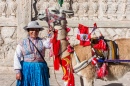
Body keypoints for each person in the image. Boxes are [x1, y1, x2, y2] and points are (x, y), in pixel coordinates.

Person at [14, 21, 51, 86]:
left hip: (39, 69)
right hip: (26, 69)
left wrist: (50, 35)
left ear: (39, 31)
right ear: (28, 31)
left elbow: (49, 45)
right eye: (32, 30)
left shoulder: (43, 41)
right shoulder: (22, 42)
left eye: (37, 30)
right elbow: (17, 57)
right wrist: (18, 72)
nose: (34, 32)